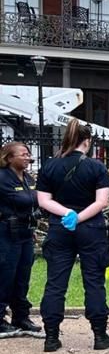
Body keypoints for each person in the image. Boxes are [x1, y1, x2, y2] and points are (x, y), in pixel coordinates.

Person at [37, 120, 109, 352]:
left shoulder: (50, 167)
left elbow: (43, 201)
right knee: (94, 281)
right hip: (91, 229)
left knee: (55, 283)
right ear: (87, 141)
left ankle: (51, 337)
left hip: (59, 228)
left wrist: (67, 214)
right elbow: (101, 201)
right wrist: (80, 217)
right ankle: (100, 335)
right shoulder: (96, 167)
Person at [0, 142, 41, 335]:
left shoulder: (28, 178)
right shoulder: (3, 178)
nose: (28, 157)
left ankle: (21, 316)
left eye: (28, 154)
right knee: (6, 275)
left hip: (25, 231)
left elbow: (35, 199)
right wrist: (34, 199)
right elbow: (26, 199)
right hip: (6, 233)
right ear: (9, 158)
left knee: (23, 275)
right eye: (23, 154)